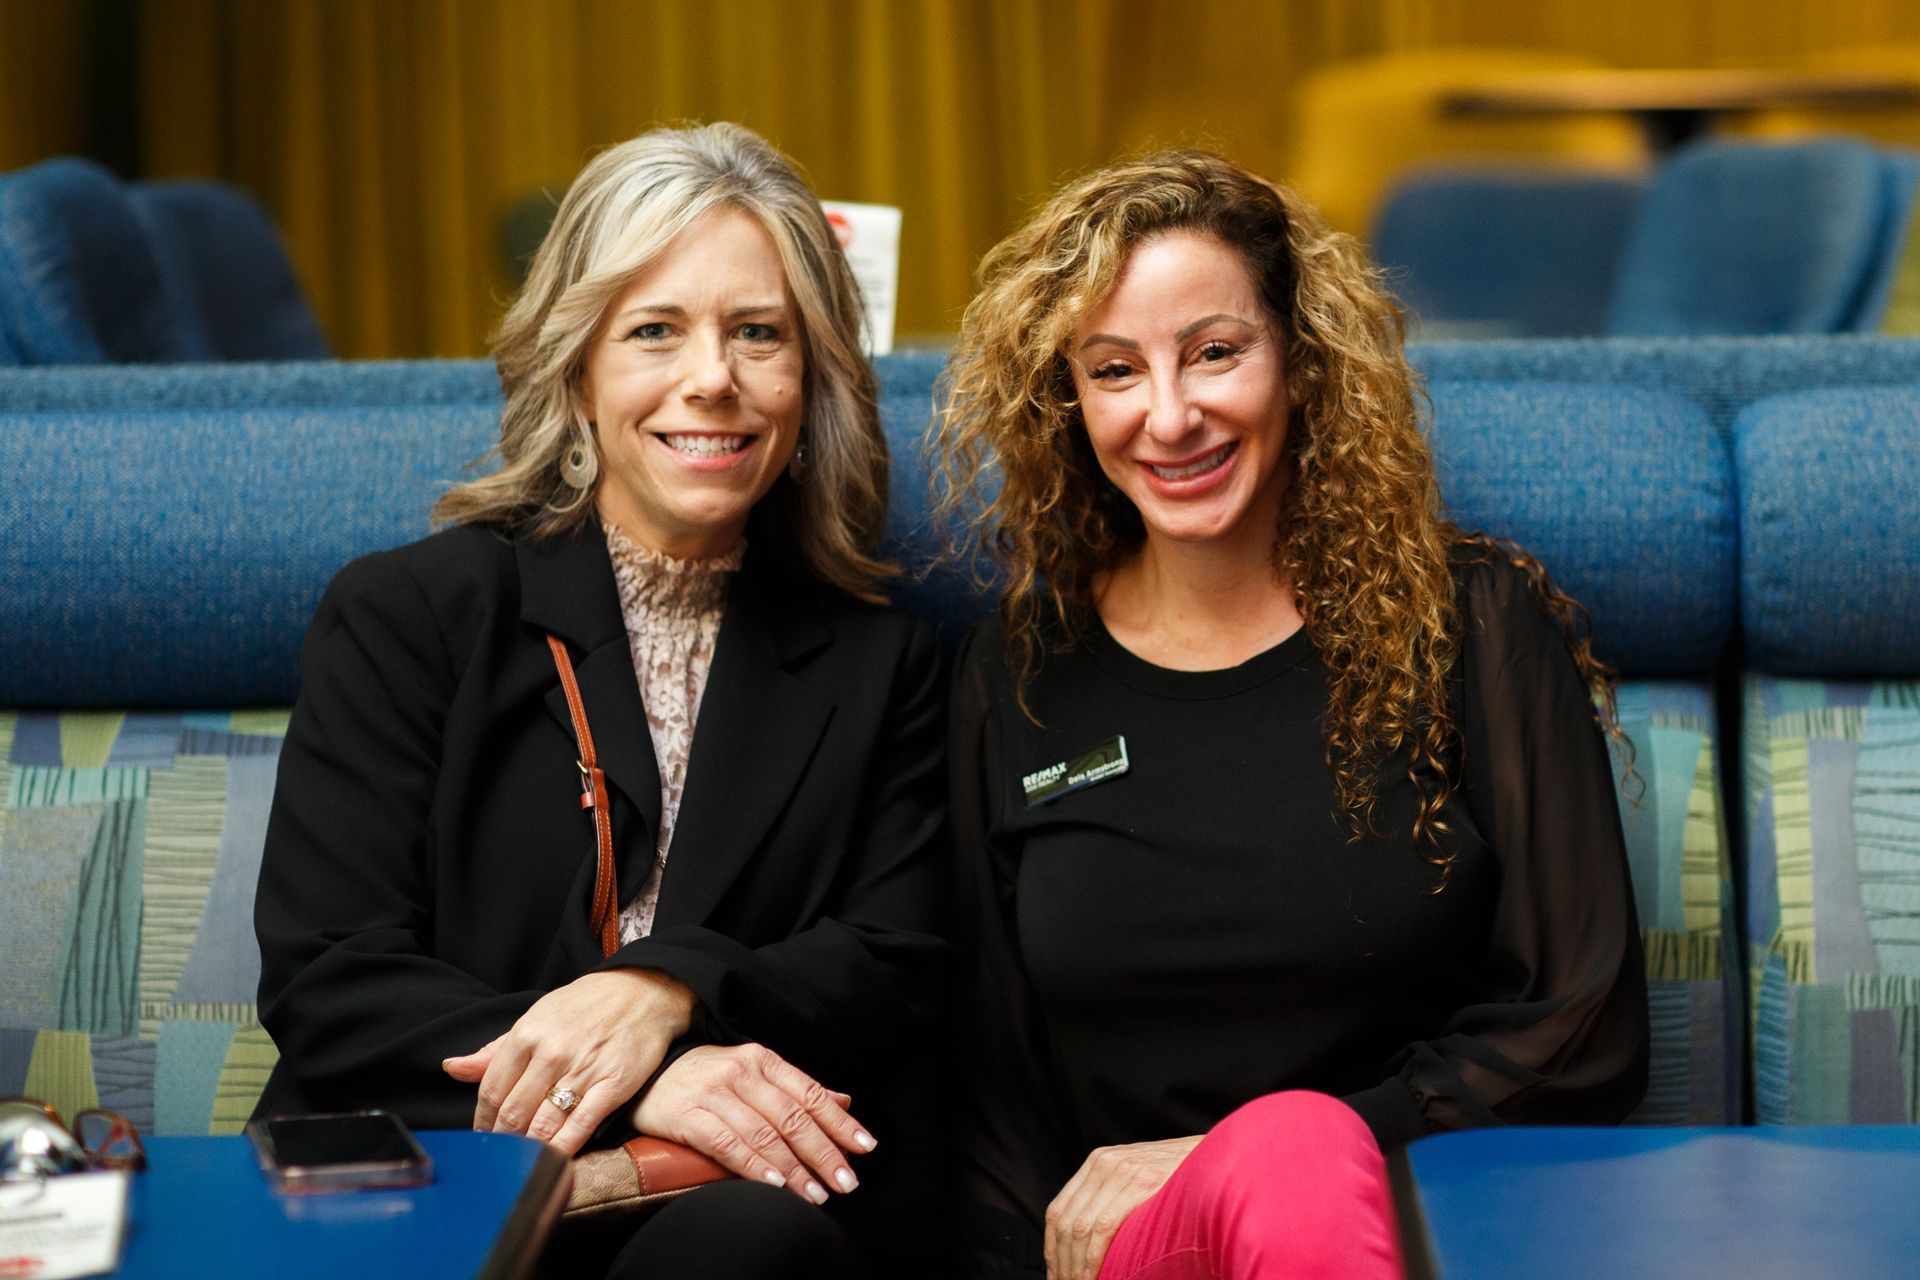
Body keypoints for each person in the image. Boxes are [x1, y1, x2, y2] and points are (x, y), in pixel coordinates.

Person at [933, 150, 1649, 1280]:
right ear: (1067, 401)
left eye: (1215, 352)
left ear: (1302, 361)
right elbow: (989, 1099)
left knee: (1292, 1148)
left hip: (1435, 1227)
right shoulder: (1017, 673)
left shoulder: (1467, 625)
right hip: (1139, 1260)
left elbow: (1584, 1028)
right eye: (1115, 369)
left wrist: (1269, 1151)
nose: (1170, 415)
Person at [253, 123, 945, 1278]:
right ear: (578, 368)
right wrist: (646, 1068)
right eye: (654, 329)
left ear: (812, 374)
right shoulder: (409, 614)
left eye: (758, 332)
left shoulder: (886, 664)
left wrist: (671, 986)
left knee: (755, 1246)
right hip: (425, 1183)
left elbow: (897, 961)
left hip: (712, 1210)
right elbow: (334, 976)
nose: (712, 377)